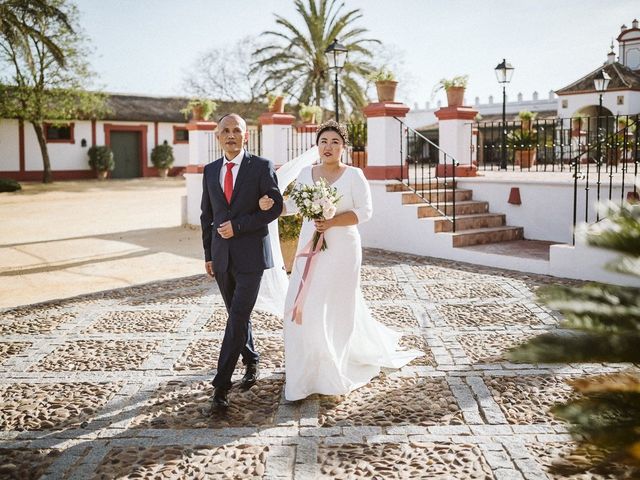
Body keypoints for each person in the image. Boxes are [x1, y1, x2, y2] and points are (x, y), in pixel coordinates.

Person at [259, 120, 421, 401]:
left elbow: (365, 211)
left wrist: (332, 220)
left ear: (344, 147)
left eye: (335, 142)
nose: (328, 147)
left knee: (338, 306)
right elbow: (294, 205)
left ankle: (334, 364)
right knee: (301, 304)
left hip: (343, 249)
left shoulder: (354, 175)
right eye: (324, 141)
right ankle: (306, 369)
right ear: (317, 146)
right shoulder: (307, 174)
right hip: (310, 245)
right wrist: (272, 206)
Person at [200, 113, 283, 408]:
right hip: (222, 258)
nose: (231, 134)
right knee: (238, 315)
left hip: (251, 258)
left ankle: (221, 385)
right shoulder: (210, 171)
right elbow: (206, 217)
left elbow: (275, 208)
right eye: (226, 130)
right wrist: (209, 255)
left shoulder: (261, 167)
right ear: (218, 136)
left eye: (237, 130)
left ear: (246, 136)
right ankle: (251, 359)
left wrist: (240, 225)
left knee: (236, 317)